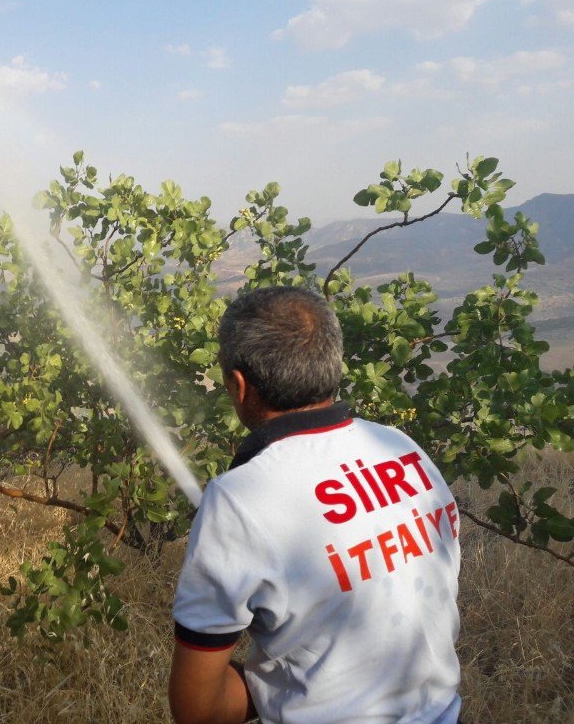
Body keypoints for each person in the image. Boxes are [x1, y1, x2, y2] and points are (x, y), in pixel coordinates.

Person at [168, 286, 462, 724]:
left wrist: (267, 687)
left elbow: (198, 709)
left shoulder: (239, 498)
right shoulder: (399, 447)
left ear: (239, 384)